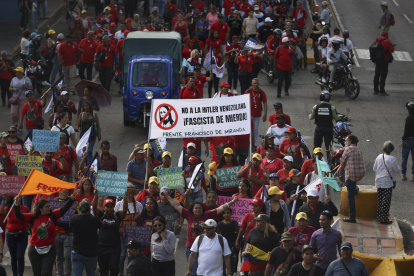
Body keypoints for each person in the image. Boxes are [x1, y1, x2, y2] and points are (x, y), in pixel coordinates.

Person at [164, 191, 237, 276]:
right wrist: (167, 196)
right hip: (191, 247)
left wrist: (233, 201)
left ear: (203, 209)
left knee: (205, 270)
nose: (198, 210)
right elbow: (176, 205)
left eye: (200, 208)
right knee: (193, 271)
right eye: (196, 208)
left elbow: (221, 208)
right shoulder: (188, 215)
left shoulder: (208, 214)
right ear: (192, 209)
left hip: (205, 247)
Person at [13, 190, 78, 276]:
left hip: (50, 249)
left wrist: (71, 199)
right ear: (40, 209)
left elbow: (64, 209)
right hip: (34, 250)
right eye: (46, 207)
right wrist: (16, 205)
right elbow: (19, 216)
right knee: (37, 273)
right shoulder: (32, 217)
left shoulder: (53, 215)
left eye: (49, 206)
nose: (49, 208)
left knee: (46, 273)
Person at [92, 194, 128, 276]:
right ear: (104, 208)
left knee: (114, 267)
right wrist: (96, 196)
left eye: (111, 206)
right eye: (107, 206)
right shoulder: (101, 215)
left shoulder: (117, 216)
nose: (109, 208)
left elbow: (125, 210)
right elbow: (94, 209)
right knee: (103, 269)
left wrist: (125, 197)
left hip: (114, 248)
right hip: (102, 247)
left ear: (113, 207)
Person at [115, 183, 143, 275]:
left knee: (131, 255)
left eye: (131, 191)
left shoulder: (139, 205)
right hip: (121, 234)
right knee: (122, 255)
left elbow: (141, 220)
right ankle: (120, 272)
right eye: (127, 191)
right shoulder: (119, 204)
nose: (129, 193)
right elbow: (116, 219)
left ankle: (130, 272)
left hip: (133, 235)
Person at [70, 198, 102, 276]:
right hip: (91, 254)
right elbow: (100, 226)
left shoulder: (74, 219)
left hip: (77, 252)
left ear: (80, 209)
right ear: (89, 209)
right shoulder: (95, 220)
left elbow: (70, 227)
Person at [338, 135, 365, 223]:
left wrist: (340, 166)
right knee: (353, 187)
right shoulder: (358, 149)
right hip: (359, 173)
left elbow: (342, 161)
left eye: (346, 141)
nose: (345, 143)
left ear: (349, 142)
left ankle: (352, 217)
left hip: (351, 174)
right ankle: (354, 189)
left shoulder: (348, 149)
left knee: (350, 197)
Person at [0, 195, 29, 276]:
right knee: (13, 257)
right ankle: (14, 274)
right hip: (11, 235)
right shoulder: (8, 208)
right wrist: (3, 201)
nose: (17, 198)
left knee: (20, 256)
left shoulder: (25, 208)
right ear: (12, 198)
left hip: (22, 235)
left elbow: (28, 219)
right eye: (15, 196)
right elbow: (1, 211)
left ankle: (20, 274)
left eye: (19, 196)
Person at [373, 141, 400, 224]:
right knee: (386, 200)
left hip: (378, 181)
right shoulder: (392, 159)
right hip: (387, 182)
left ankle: (379, 216)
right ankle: (384, 218)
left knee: (380, 199)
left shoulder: (379, 156)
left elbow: (374, 168)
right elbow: (397, 170)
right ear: (391, 149)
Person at [309, 91, 340, 157]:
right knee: (329, 146)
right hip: (329, 129)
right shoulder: (331, 107)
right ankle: (330, 160)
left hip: (319, 129)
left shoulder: (316, 107)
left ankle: (315, 160)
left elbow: (310, 117)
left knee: (317, 146)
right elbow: (336, 118)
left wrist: (311, 113)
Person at [75, 101, 101, 166]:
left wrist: (99, 134)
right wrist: (76, 128)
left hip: (92, 135)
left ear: (90, 106)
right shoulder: (82, 114)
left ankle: (89, 166)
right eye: (84, 106)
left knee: (89, 151)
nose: (86, 107)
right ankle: (84, 166)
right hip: (83, 136)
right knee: (84, 151)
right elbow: (77, 124)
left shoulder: (94, 114)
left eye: (87, 106)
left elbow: (98, 125)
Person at [244, 78, 268, 149]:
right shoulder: (248, 91)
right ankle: (248, 143)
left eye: (257, 83)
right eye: (254, 83)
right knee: (248, 130)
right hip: (249, 114)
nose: (256, 85)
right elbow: (243, 101)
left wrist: (265, 114)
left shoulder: (261, 92)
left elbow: (265, 103)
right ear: (251, 84)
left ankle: (254, 145)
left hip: (257, 115)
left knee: (255, 130)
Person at [217, 208, 240, 274]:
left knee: (232, 259)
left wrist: (237, 241)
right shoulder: (220, 224)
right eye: (225, 213)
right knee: (223, 260)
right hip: (223, 244)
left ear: (231, 214)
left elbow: (238, 232)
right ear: (222, 215)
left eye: (228, 213)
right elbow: (218, 234)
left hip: (232, 244)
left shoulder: (234, 222)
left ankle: (231, 273)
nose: (226, 214)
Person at [373, 31, 394, 96]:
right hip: (384, 61)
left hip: (377, 61)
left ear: (381, 35)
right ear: (386, 36)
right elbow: (392, 49)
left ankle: (376, 90)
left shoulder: (377, 40)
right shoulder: (386, 42)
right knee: (383, 75)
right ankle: (382, 91)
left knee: (377, 75)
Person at [402, 102, 414, 181]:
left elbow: (406, 131)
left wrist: (403, 139)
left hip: (408, 139)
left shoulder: (408, 118)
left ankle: (403, 174)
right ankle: (413, 176)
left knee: (404, 158)